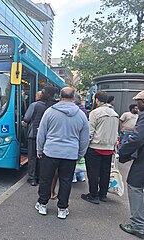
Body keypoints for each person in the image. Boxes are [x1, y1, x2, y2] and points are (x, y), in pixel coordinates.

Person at [35, 87, 89, 219]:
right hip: (70, 154)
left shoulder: (50, 112)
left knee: (46, 179)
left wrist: (39, 149)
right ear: (73, 97)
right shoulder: (81, 114)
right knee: (66, 181)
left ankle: (42, 204)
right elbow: (84, 138)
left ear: (60, 96)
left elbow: (41, 133)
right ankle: (62, 208)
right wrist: (80, 154)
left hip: (50, 151)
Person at [119, 89, 144, 239]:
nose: (136, 106)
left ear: (143, 102)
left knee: (135, 186)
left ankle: (138, 225)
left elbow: (137, 139)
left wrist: (123, 153)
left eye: (138, 102)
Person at [81, 91, 119, 204]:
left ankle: (93, 195)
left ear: (97, 100)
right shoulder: (114, 113)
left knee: (93, 172)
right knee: (105, 172)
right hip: (109, 148)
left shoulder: (95, 113)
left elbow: (90, 132)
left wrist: (84, 146)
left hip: (95, 147)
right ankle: (103, 194)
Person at [22, 86, 56, 186]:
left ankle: (32, 178)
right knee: (42, 157)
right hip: (48, 136)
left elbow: (26, 119)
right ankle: (41, 177)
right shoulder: (54, 106)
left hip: (34, 135)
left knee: (32, 156)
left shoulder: (35, 105)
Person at [72, 94, 88, 182]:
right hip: (79, 139)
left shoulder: (75, 111)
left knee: (73, 159)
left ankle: (73, 176)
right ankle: (81, 175)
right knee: (80, 159)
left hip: (74, 139)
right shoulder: (83, 111)